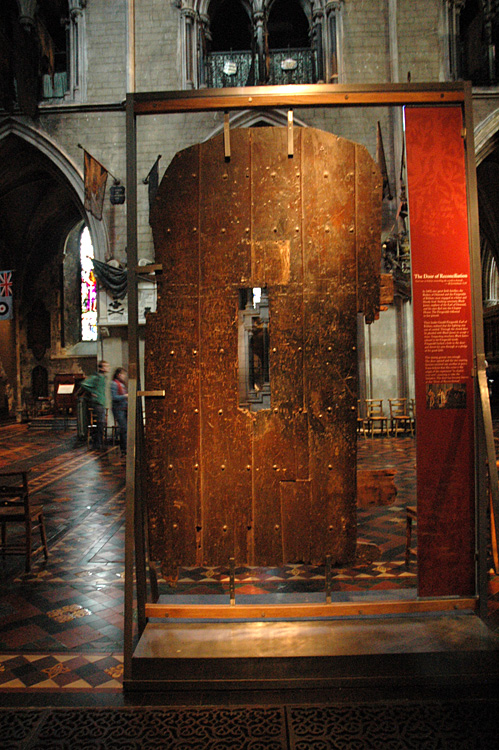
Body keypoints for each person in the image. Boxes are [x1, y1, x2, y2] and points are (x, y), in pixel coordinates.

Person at [80, 360, 110, 450]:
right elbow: (84, 384)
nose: (108, 368)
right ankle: (97, 443)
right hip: (97, 403)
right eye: (106, 366)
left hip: (101, 402)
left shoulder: (102, 378)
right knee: (100, 423)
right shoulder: (96, 377)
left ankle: (99, 443)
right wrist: (92, 392)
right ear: (101, 368)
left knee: (102, 423)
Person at [111, 367, 128, 456]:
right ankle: (124, 449)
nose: (125, 376)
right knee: (123, 428)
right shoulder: (114, 384)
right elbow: (114, 397)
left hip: (124, 408)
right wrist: (125, 396)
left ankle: (125, 447)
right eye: (123, 374)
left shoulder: (122, 384)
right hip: (118, 409)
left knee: (125, 429)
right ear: (119, 375)